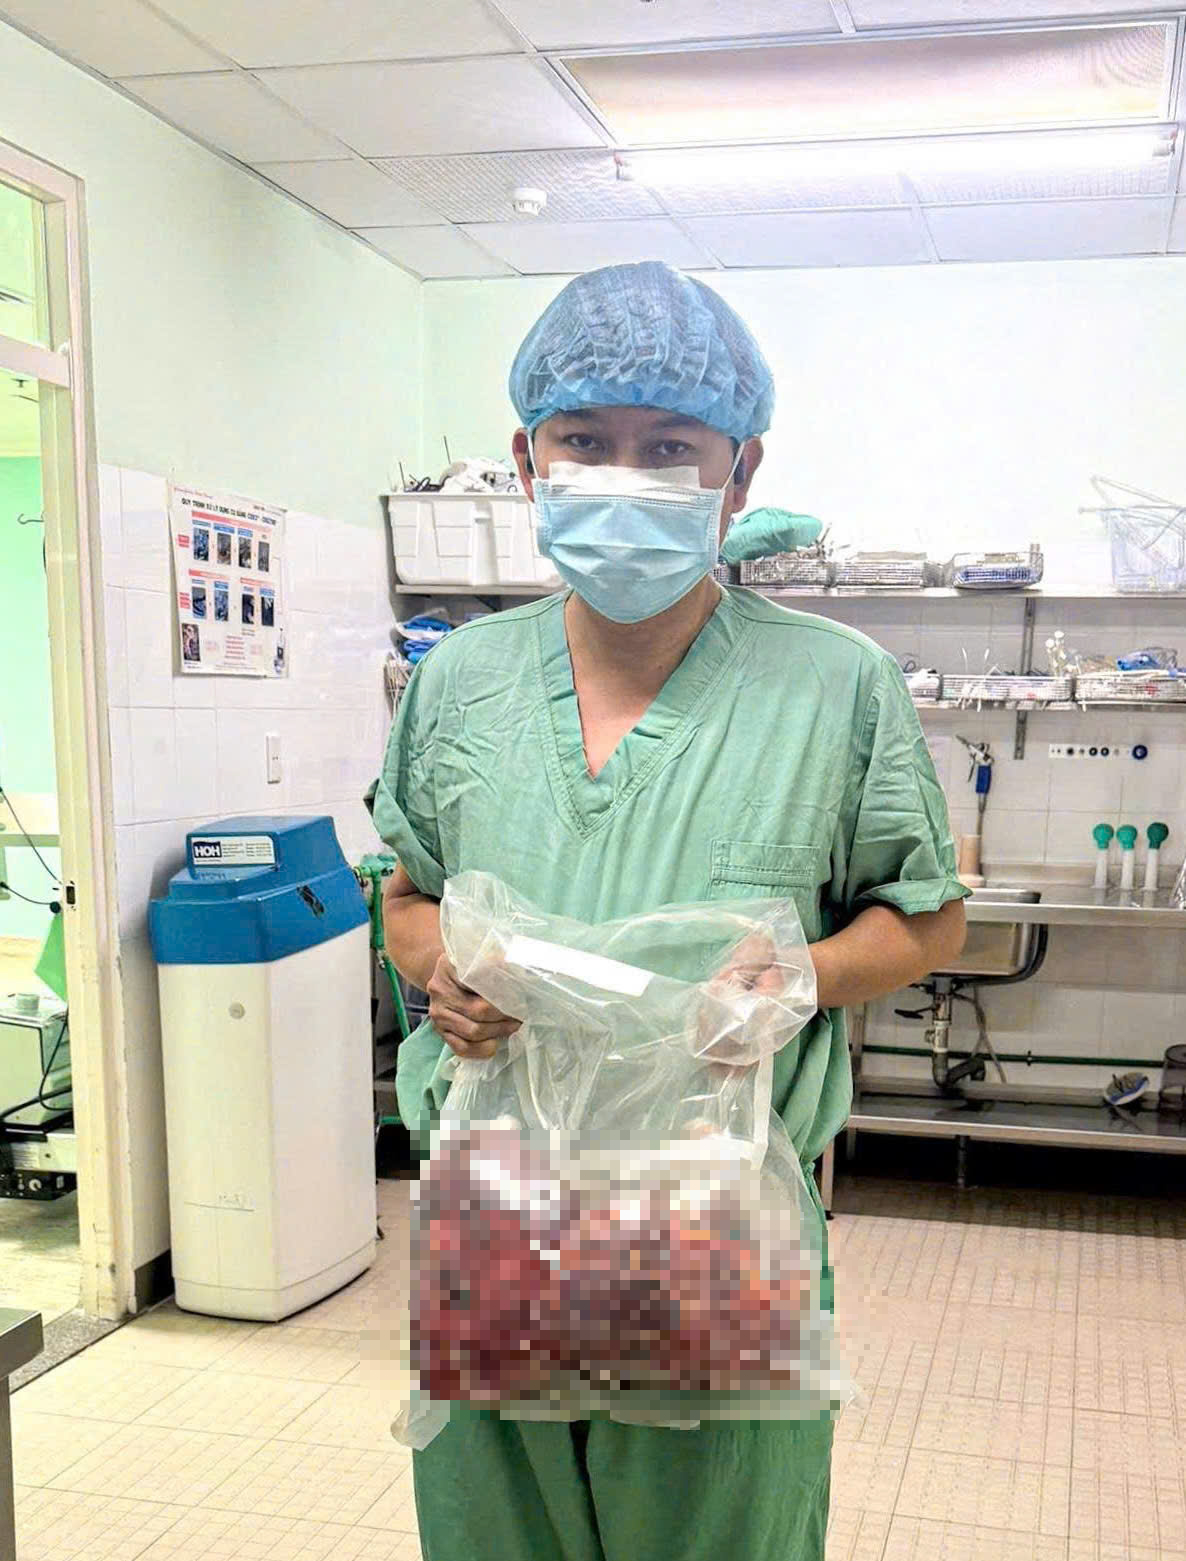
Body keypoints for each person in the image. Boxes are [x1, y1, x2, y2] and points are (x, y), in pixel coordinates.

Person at [372, 260, 967, 1561]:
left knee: (710, 1533)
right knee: (499, 1533)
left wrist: (801, 977)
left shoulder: (833, 686)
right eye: (585, 441)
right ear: (528, 462)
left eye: (668, 448)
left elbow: (927, 923)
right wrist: (439, 969)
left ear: (737, 474)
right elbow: (407, 893)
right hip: (499, 1199)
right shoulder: (459, 682)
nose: (622, 475)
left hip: (711, 1203)